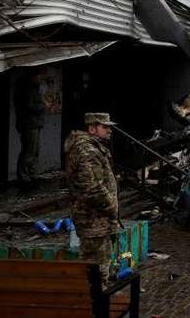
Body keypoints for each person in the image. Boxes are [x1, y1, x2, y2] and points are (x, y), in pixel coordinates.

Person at [64, 112, 119, 288]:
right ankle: (96, 305)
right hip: (93, 219)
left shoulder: (93, 147)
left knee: (98, 265)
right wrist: (111, 205)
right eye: (105, 127)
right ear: (92, 128)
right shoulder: (87, 150)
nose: (109, 130)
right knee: (96, 268)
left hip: (97, 219)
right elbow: (92, 187)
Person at [14, 68, 48, 189]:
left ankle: (32, 174)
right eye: (39, 76)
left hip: (33, 123)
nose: (40, 79)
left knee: (34, 150)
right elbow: (29, 106)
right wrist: (43, 105)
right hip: (30, 123)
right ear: (32, 76)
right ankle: (25, 176)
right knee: (29, 150)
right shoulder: (27, 89)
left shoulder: (32, 88)